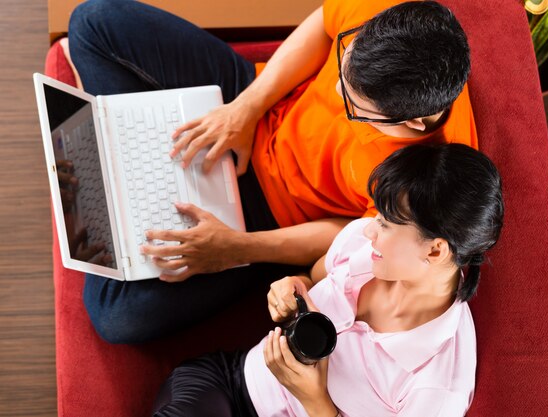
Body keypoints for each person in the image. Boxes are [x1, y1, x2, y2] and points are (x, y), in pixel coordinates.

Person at [65, 0, 476, 343]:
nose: (335, 91)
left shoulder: (432, 176)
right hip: (256, 100)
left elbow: (352, 234)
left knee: (116, 317)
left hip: (273, 218)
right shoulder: (396, 14)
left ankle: (130, 144)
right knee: (92, 20)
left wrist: (234, 247)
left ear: (415, 122)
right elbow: (322, 25)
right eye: (344, 65)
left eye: (355, 106)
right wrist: (245, 109)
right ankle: (139, 151)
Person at [151, 143, 505, 417]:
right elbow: (310, 277)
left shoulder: (438, 387)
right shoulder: (366, 248)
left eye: (385, 224)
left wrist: (316, 402)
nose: (368, 229)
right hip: (233, 384)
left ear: (435, 251)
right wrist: (291, 286)